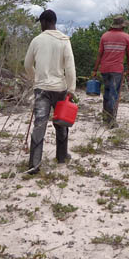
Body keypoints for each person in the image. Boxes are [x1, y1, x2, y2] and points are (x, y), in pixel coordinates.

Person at [23, 9, 77, 174]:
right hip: (60, 88)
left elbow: (27, 65)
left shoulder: (37, 40)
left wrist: (35, 79)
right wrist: (71, 89)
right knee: (61, 123)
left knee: (39, 124)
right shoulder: (64, 40)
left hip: (42, 89)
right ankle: (61, 157)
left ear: (44, 22)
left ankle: (34, 164)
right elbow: (70, 67)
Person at [92, 16, 129, 127]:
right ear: (123, 26)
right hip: (117, 70)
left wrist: (95, 70)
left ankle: (105, 118)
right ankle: (111, 121)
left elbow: (99, 54)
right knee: (114, 94)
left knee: (107, 93)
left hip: (104, 69)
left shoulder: (104, 36)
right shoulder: (127, 37)